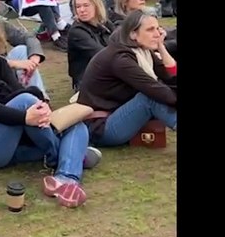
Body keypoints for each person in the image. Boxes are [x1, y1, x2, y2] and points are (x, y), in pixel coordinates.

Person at [0, 17, 99, 207]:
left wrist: (40, 104)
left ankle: (66, 180)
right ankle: (63, 154)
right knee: (26, 103)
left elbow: (19, 92)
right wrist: (26, 117)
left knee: (76, 124)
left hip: (9, 142)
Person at [76, 11, 177, 146]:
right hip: (101, 127)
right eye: (150, 30)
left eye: (158, 29)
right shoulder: (120, 58)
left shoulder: (141, 50)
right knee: (148, 98)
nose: (157, 34)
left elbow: (171, 76)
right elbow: (155, 90)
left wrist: (161, 47)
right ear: (133, 34)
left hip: (117, 113)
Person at [66, 0, 114, 90]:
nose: (82, 10)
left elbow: (122, 42)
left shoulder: (106, 24)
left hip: (109, 72)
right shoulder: (77, 31)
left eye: (86, 5)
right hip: (89, 80)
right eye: (78, 7)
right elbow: (100, 54)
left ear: (96, 5)